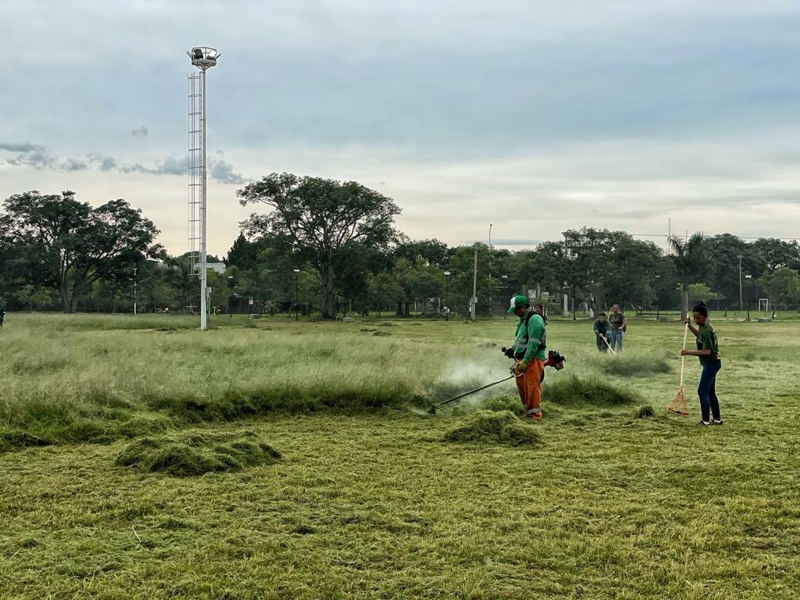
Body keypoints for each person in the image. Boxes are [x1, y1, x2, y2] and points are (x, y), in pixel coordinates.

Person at [681, 302, 723, 426]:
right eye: (694, 318)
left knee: (702, 391)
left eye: (698, 318)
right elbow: (700, 337)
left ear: (705, 317)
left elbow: (706, 351)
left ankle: (705, 421)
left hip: (711, 364)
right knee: (710, 392)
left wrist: (688, 352)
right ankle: (717, 419)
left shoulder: (706, 331)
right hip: (714, 363)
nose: (696, 320)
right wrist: (689, 326)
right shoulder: (704, 327)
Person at [507, 295, 547, 420]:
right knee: (523, 387)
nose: (515, 313)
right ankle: (528, 412)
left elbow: (533, 343)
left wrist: (526, 361)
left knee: (531, 387)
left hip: (532, 358)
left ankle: (535, 415)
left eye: (516, 311)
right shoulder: (524, 320)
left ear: (523, 308)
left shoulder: (534, 320)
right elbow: (521, 339)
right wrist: (512, 350)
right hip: (522, 359)